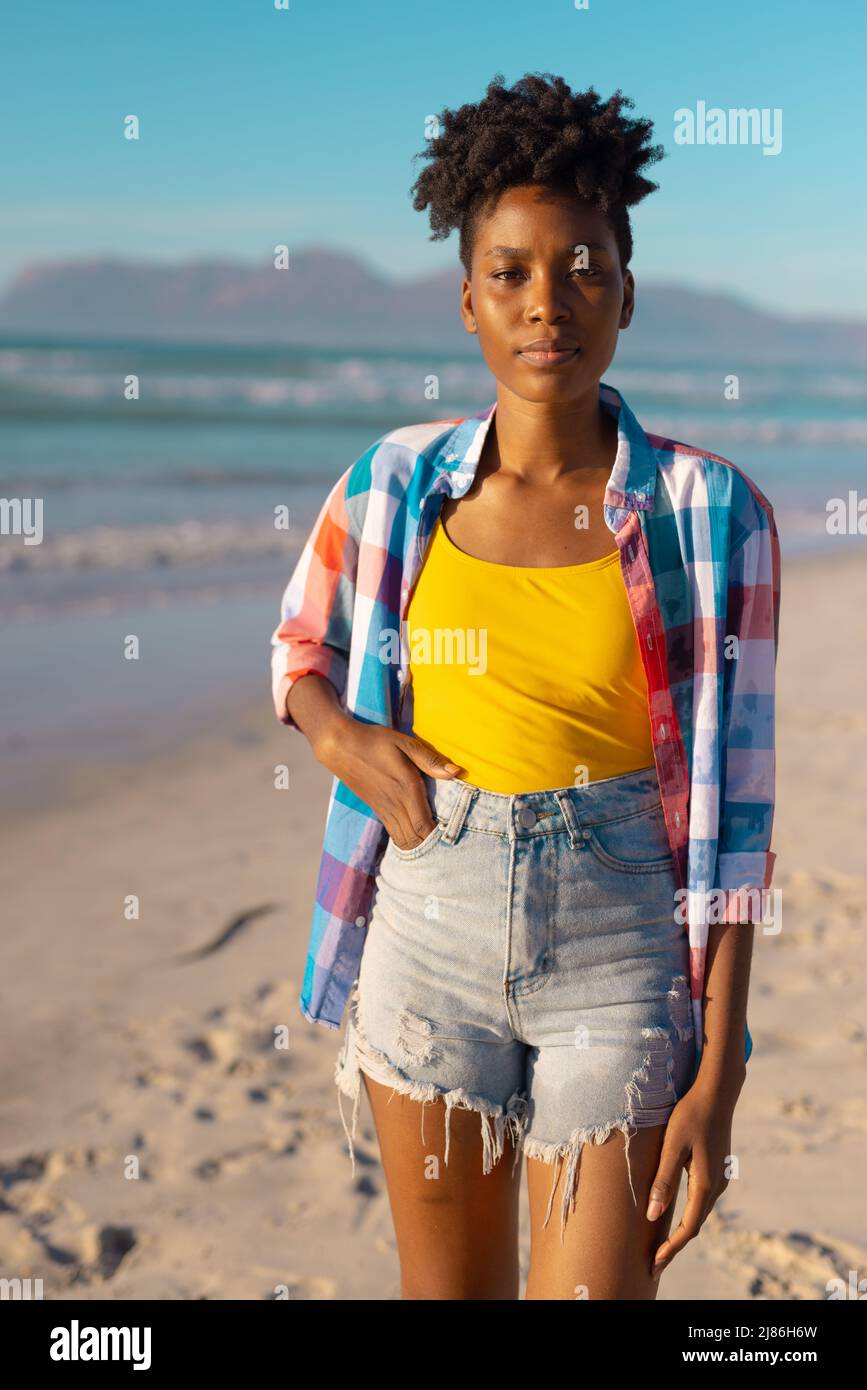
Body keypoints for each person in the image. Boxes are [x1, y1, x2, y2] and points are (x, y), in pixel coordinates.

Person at [269, 73, 780, 1300]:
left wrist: (723, 1063)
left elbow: (743, 820)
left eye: (585, 266)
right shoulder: (395, 485)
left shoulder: (713, 515)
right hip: (427, 921)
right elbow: (299, 647)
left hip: (624, 947)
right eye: (511, 271)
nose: (548, 302)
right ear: (468, 299)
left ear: (628, 290)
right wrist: (343, 739)